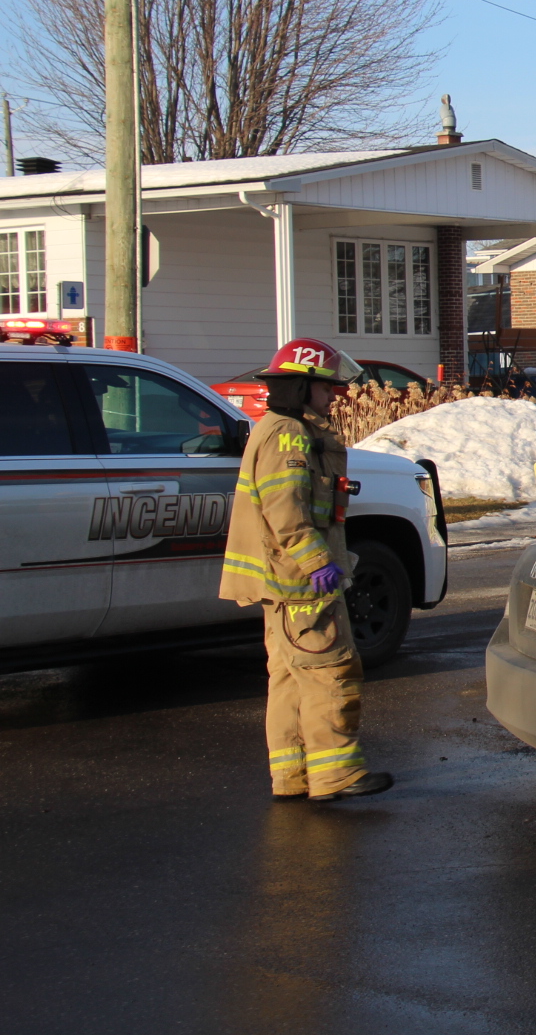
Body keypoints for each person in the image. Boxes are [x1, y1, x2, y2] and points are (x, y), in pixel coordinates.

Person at [219, 339, 392, 803]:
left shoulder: (281, 428)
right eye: (327, 387)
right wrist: (318, 562)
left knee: (290, 679)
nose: (335, 395)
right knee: (330, 671)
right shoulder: (290, 435)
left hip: (283, 582)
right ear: (301, 388)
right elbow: (286, 509)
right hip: (299, 583)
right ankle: (336, 774)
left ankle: (293, 775)